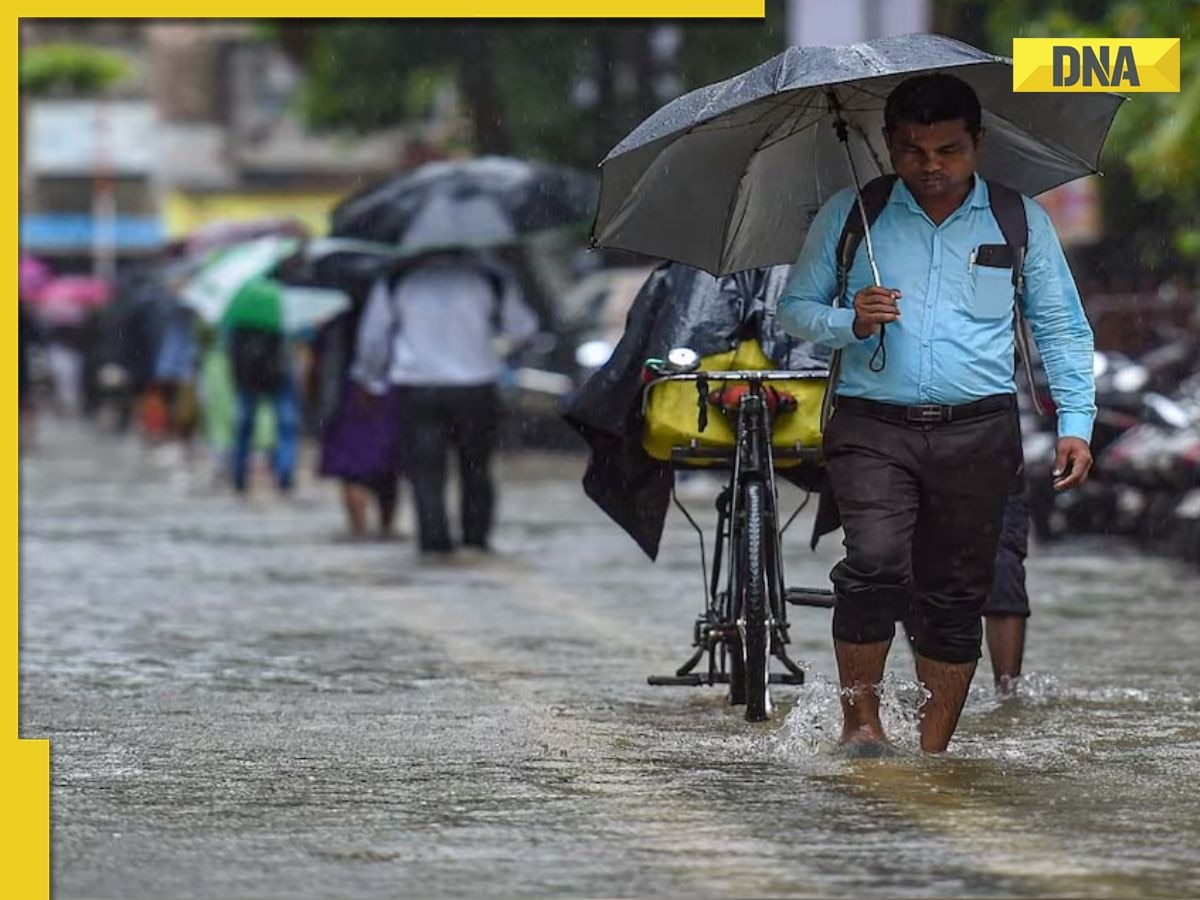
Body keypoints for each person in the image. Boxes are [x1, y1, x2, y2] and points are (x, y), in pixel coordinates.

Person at [778, 73, 1095, 753]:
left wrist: (1076, 422)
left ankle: (931, 753)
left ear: (977, 143)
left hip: (979, 430)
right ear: (890, 144)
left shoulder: (1017, 219)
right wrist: (849, 320)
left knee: (956, 592)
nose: (931, 166)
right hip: (871, 425)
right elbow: (795, 310)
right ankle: (860, 727)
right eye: (914, 150)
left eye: (948, 150)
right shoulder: (851, 214)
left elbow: (1062, 328)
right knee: (875, 563)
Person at [352, 249, 538, 556]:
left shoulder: (399, 280)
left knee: (425, 471)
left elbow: (373, 338)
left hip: (418, 386)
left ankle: (433, 545)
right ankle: (475, 542)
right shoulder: (490, 278)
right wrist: (487, 337)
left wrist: (369, 380)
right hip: (475, 385)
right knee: (476, 468)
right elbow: (522, 328)